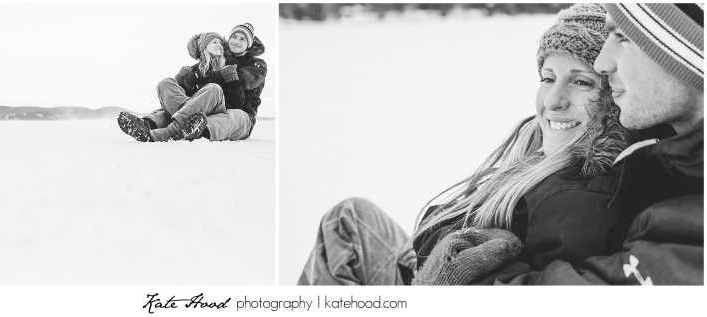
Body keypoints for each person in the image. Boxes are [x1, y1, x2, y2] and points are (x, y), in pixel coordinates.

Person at [297, 4, 636, 286]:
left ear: (614, 95)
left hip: (430, 282)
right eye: (548, 78)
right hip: (426, 263)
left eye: (581, 81)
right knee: (350, 217)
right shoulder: (545, 152)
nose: (553, 100)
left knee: (346, 224)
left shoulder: (583, 199)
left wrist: (452, 275)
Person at [485, 2, 703, 285]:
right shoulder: (672, 168)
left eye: (623, 37)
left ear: (688, 53)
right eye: (547, 78)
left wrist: (468, 269)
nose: (602, 62)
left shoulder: (680, 215)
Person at [120, 23, 267, 142]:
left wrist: (202, 76)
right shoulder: (216, 60)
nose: (236, 41)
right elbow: (187, 91)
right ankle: (147, 124)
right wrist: (182, 79)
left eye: (243, 39)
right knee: (167, 84)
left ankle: (177, 131)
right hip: (204, 109)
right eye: (234, 37)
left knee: (228, 113)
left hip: (239, 114)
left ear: (249, 43)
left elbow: (240, 85)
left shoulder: (257, 64)